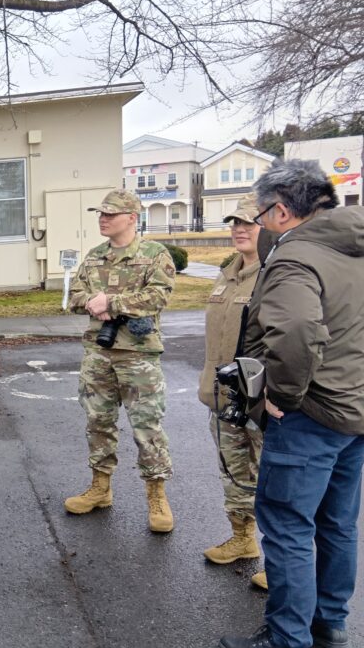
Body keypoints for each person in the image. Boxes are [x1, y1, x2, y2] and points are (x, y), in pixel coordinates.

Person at [220, 160, 364, 648]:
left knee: (287, 525)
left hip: (310, 415)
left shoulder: (295, 258)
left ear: (281, 211)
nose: (259, 225)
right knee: (338, 524)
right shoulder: (353, 249)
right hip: (354, 412)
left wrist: (280, 395)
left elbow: (297, 329)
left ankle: (287, 643)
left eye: (261, 215)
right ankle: (330, 625)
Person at [64, 188, 177, 533]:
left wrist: (110, 303)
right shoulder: (95, 256)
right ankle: (100, 488)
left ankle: (157, 496)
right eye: (101, 213)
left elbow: (158, 296)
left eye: (110, 214)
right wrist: (91, 302)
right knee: (98, 422)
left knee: (147, 427)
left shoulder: (154, 254)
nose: (103, 219)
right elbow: (74, 295)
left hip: (138, 355)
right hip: (98, 354)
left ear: (131, 217)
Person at [197, 197, 267, 588]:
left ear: (268, 228)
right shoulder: (227, 274)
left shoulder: (275, 273)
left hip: (259, 400)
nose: (239, 229)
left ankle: (282, 560)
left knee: (272, 478)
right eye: (234, 223)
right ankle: (242, 538)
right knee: (234, 471)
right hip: (223, 396)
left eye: (248, 223)